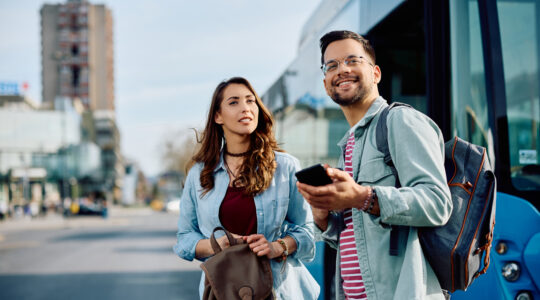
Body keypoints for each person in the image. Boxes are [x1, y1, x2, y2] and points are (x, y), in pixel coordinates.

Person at [296, 30, 453, 299]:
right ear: (326, 84)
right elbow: (356, 232)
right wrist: (323, 219)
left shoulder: (400, 121)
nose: (342, 69)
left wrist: (364, 197)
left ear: (376, 73)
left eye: (352, 60)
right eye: (331, 65)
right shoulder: (348, 145)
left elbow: (438, 203)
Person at [173, 77, 319, 299]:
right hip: (221, 290)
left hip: (278, 289)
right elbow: (184, 238)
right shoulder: (199, 173)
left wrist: (277, 246)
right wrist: (215, 245)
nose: (246, 108)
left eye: (251, 101)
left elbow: (308, 232)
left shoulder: (285, 167)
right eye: (234, 102)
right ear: (218, 116)